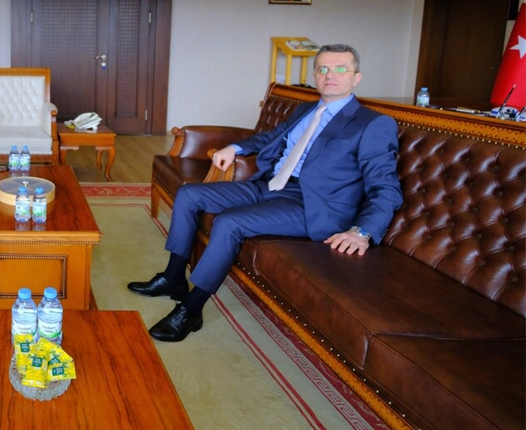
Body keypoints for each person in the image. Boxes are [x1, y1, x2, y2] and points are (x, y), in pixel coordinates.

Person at [128, 44, 402, 342]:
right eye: (322, 69)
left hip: (313, 206)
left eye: (340, 69)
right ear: (314, 75)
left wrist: (362, 232)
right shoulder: (307, 109)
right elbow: (273, 137)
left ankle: (191, 309)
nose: (329, 75)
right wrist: (234, 148)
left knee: (230, 222)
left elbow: (385, 186)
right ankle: (173, 277)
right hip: (271, 185)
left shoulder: (373, 124)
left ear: (356, 77)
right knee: (190, 194)